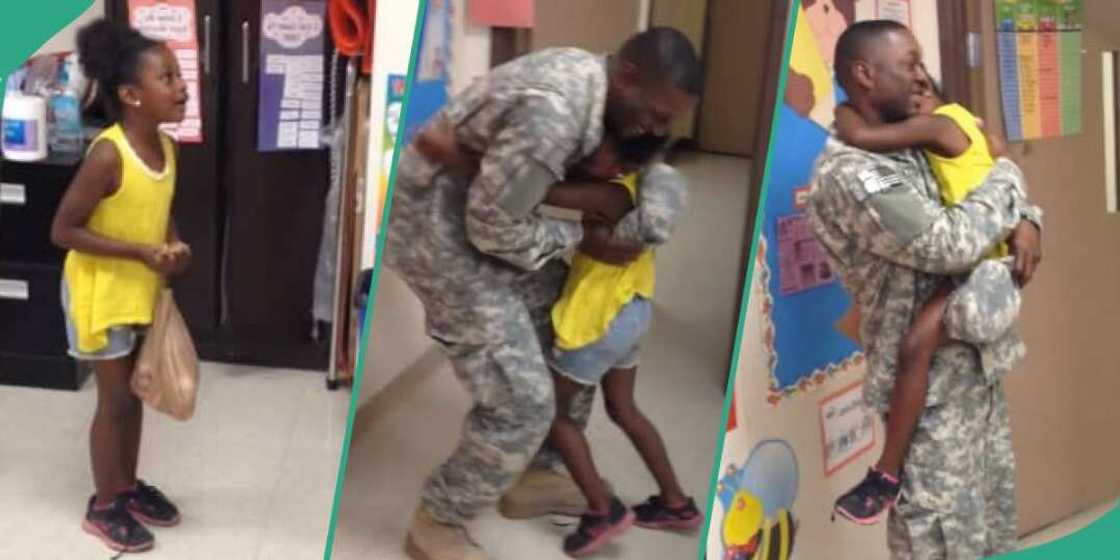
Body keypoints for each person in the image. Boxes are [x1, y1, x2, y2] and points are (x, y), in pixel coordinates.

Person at [385, 27, 701, 560]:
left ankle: (537, 473)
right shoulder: (555, 112)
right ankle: (438, 520)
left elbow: (524, 194)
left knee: (567, 329)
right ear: (627, 74)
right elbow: (493, 228)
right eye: (656, 114)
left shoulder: (604, 96)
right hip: (438, 234)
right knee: (523, 400)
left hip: (483, 210)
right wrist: (583, 238)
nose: (656, 127)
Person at [805, 20, 1042, 559]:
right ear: (864, 74)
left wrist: (1028, 218)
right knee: (938, 538)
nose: (920, 77)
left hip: (976, 370)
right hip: (928, 395)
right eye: (907, 65)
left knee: (991, 522)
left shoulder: (915, 136)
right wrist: (1008, 176)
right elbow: (949, 243)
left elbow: (979, 178)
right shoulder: (853, 174)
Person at [50, 19, 191, 554]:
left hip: (137, 290)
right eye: (168, 78)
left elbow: (157, 212)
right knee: (113, 402)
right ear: (132, 95)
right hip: (99, 295)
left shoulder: (166, 149)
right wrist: (139, 253)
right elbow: (64, 231)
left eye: (179, 76)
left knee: (132, 396)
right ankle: (104, 503)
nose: (181, 87)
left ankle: (126, 487)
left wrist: (173, 245)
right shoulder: (108, 154)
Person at [542, 134, 702, 556]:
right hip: (633, 310)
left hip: (599, 319)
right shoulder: (641, 189)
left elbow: (538, 190)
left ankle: (600, 510)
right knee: (623, 407)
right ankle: (676, 503)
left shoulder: (609, 192)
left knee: (551, 412)